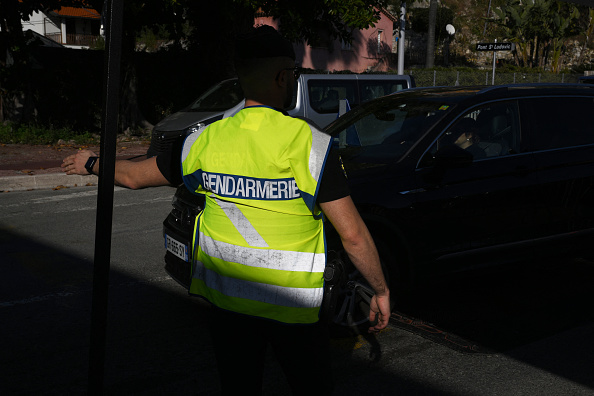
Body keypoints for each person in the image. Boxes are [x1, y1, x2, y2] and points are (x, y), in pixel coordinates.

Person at [62, 25, 390, 395]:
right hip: (293, 313)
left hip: (230, 310)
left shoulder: (202, 140)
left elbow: (136, 176)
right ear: (283, 76)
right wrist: (379, 290)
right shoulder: (311, 145)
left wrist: (93, 164)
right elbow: (353, 235)